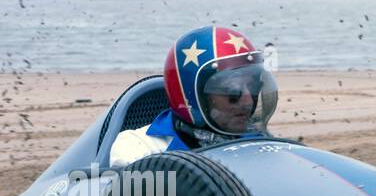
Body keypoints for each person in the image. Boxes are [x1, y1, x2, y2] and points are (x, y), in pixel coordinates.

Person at [109, 25, 278, 166]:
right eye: (233, 91)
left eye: (254, 87)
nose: (248, 100)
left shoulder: (261, 143)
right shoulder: (139, 150)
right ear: (192, 98)